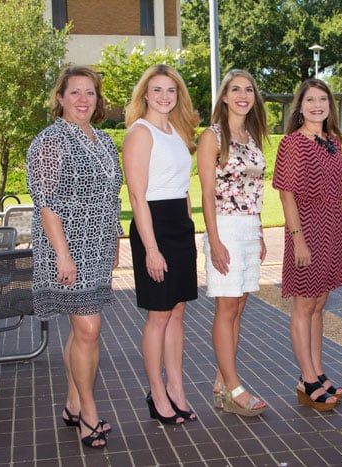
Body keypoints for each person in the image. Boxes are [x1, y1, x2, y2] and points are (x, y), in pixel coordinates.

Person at [27, 66, 123, 449]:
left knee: (81, 331)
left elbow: (111, 195)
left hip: (97, 244)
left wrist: (114, 239)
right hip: (65, 247)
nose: (84, 99)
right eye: (75, 92)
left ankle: (71, 403)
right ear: (60, 98)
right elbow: (46, 204)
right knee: (88, 330)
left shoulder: (102, 140)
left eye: (90, 93)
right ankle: (88, 410)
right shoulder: (50, 141)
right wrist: (64, 256)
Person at [123, 65, 200, 425]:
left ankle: (177, 388)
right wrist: (151, 249)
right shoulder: (140, 132)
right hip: (153, 226)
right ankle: (156, 392)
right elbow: (137, 195)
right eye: (157, 90)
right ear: (145, 95)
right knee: (159, 315)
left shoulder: (178, 131)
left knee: (178, 311)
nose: (165, 96)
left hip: (180, 227)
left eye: (171, 90)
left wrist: (189, 228)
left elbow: (182, 187)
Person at [272, 79, 342, 411]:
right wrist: (298, 238)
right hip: (307, 230)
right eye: (310, 100)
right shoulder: (293, 143)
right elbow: (286, 194)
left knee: (319, 305)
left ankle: (318, 370)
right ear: (299, 107)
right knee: (304, 307)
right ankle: (306, 377)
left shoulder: (333, 141)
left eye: (323, 99)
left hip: (333, 228)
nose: (317, 105)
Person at [196, 69, 269, 417]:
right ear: (223, 96)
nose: (243, 94)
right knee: (226, 308)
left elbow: (255, 188)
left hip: (248, 228)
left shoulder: (251, 135)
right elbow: (207, 194)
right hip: (223, 228)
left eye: (249, 89)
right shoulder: (212, 136)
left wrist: (259, 232)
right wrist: (214, 239)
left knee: (238, 307)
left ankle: (221, 381)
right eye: (235, 89)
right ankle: (235, 386)